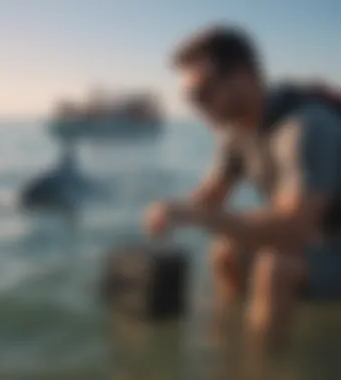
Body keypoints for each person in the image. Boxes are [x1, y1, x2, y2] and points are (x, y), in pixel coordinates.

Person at [143, 24, 341, 377]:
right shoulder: (236, 134)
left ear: (246, 77)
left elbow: (296, 229)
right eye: (189, 98)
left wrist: (199, 217)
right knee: (225, 250)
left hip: (326, 238)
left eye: (202, 93)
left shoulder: (306, 126)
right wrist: (174, 212)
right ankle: (229, 350)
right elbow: (209, 201)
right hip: (317, 237)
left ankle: (262, 367)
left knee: (276, 267)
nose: (196, 106)